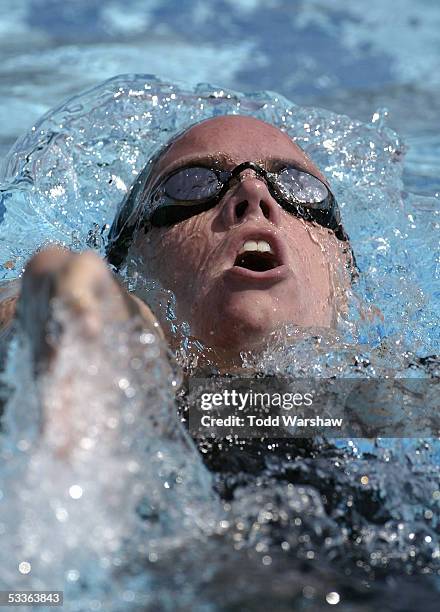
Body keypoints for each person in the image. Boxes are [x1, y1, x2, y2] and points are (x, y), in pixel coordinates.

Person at [0, 115, 355, 378]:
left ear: (346, 288)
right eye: (193, 182)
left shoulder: (394, 408)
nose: (254, 192)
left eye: (298, 186)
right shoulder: (116, 400)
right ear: (127, 270)